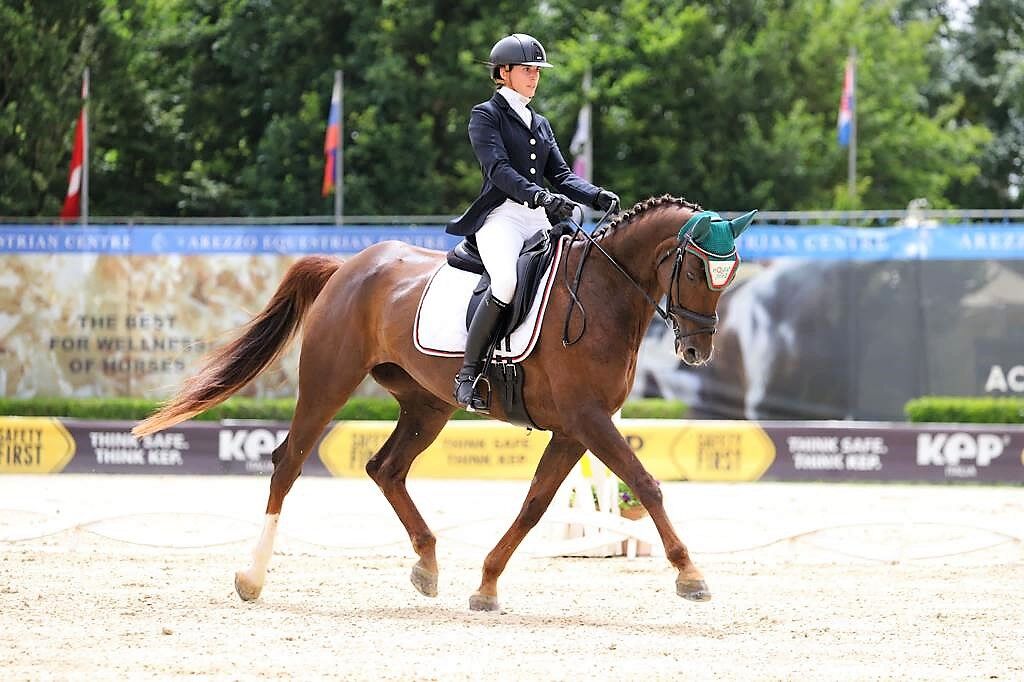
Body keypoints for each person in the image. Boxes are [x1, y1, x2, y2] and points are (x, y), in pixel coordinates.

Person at [447, 33, 620, 410]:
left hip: (536, 217)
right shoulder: (485, 115)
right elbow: (499, 170)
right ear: (503, 72)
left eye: (537, 70)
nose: (534, 76)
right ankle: (467, 374)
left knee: (570, 275)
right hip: (501, 217)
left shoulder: (539, 122)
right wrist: (538, 195)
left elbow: (560, 174)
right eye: (527, 69)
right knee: (506, 282)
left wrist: (595, 195)